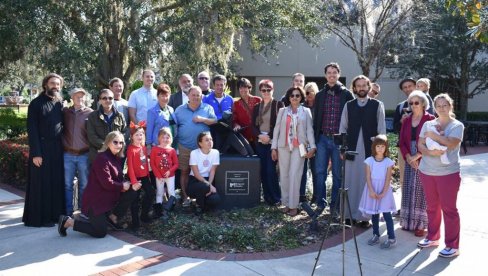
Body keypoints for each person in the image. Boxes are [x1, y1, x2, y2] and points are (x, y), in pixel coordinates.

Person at [57, 131, 139, 238]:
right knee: (100, 232)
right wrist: (122, 186)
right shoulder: (102, 159)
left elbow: (116, 179)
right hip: (96, 202)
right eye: (115, 142)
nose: (118, 145)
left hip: (108, 199)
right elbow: (107, 183)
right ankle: (68, 222)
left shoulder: (116, 158)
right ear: (108, 142)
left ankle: (112, 217)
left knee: (132, 190)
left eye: (121, 143)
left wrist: (125, 183)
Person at [417, 93, 464, 258]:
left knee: (449, 209)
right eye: (439, 106)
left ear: (450, 106)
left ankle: (452, 245)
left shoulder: (457, 125)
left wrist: (433, 136)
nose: (442, 108)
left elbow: (451, 143)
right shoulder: (428, 124)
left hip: (448, 174)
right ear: (434, 108)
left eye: (445, 105)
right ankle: (432, 237)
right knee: (431, 208)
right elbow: (420, 144)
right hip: (427, 171)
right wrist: (430, 151)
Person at [339, 75, 386, 225]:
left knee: (367, 183)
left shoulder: (377, 105)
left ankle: (365, 216)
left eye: (364, 85)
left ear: (368, 87)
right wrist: (342, 149)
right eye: (358, 85)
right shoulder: (349, 105)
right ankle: (348, 216)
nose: (361, 88)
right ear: (354, 88)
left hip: (369, 151)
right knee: (350, 182)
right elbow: (343, 128)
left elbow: (382, 130)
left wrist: (380, 151)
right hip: (351, 150)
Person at [23, 73, 65, 227]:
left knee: (54, 182)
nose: (55, 86)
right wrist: (36, 153)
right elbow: (32, 130)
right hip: (41, 149)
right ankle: (40, 218)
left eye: (58, 84)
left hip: (57, 148)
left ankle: (54, 216)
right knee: (41, 184)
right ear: (45, 85)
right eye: (52, 83)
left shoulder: (59, 103)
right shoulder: (35, 104)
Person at [313, 62, 354, 212]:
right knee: (319, 172)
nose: (331, 75)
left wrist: (347, 140)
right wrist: (315, 139)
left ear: (338, 74)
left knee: (337, 174)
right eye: (329, 73)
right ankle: (320, 203)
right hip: (323, 138)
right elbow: (316, 118)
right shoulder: (320, 95)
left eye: (334, 72)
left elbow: (351, 118)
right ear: (325, 75)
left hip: (339, 139)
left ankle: (335, 206)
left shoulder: (346, 94)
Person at [271, 86, 316, 216]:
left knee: (294, 175)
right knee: (284, 175)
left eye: (297, 95)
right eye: (292, 95)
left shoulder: (306, 111)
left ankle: (293, 205)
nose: (295, 98)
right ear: (288, 97)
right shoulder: (282, 111)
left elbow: (309, 130)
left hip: (299, 147)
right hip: (283, 146)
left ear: (301, 97)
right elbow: (277, 130)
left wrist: (312, 146)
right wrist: (273, 147)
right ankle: (285, 203)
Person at [399, 90, 435, 236]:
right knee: (408, 188)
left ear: (423, 104)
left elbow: (432, 142)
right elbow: (401, 141)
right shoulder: (406, 120)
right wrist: (408, 157)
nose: (413, 105)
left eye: (416, 102)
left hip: (425, 157)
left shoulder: (430, 119)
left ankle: (421, 225)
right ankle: (408, 222)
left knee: (422, 192)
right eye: (411, 103)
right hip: (409, 157)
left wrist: (418, 157)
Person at [174, 86, 217, 207]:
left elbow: (214, 121)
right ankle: (184, 196)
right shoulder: (179, 110)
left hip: (202, 149)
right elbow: (174, 127)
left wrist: (202, 119)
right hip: (185, 146)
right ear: (188, 96)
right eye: (193, 95)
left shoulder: (207, 108)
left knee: (202, 172)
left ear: (201, 96)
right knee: (184, 171)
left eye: (198, 95)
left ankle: (201, 197)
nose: (196, 97)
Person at [359, 135, 397, 249]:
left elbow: (388, 179)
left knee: (386, 214)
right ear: (374, 147)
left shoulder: (388, 162)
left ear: (386, 148)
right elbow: (368, 177)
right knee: (374, 213)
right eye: (378, 146)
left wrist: (383, 193)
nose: (380, 149)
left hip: (384, 190)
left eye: (382, 146)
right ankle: (376, 234)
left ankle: (392, 238)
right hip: (372, 189)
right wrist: (371, 190)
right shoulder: (369, 161)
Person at [252, 79, 284, 206]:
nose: (266, 92)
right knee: (263, 170)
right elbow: (252, 125)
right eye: (263, 90)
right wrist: (259, 135)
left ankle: (276, 197)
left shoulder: (278, 105)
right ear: (260, 91)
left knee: (271, 170)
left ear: (273, 90)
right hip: (259, 141)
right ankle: (267, 197)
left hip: (273, 142)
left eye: (268, 90)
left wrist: (269, 137)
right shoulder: (256, 107)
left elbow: (280, 124)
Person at [62, 88, 93, 216]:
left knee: (84, 185)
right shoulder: (65, 112)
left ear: (85, 98)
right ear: (72, 98)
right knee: (67, 185)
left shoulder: (90, 113)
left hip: (83, 155)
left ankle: (82, 211)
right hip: (67, 154)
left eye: (81, 96)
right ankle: (68, 212)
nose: (79, 98)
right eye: (76, 96)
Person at [126, 122, 155, 230]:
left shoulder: (143, 147)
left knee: (151, 193)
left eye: (141, 134)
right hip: (135, 178)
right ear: (132, 136)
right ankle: (135, 222)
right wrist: (134, 182)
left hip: (144, 177)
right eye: (137, 134)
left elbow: (144, 163)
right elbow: (131, 167)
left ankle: (144, 215)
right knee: (134, 200)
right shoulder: (131, 149)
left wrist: (147, 175)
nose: (139, 136)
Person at [87, 89, 127, 164]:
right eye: (104, 98)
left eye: (110, 98)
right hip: (98, 154)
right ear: (100, 100)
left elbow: (124, 132)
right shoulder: (93, 116)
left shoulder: (120, 115)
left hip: (116, 155)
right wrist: (108, 146)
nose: (107, 100)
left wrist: (116, 146)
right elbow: (91, 136)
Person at [187, 131, 221, 214]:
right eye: (206, 140)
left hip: (208, 179)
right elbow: (196, 174)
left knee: (215, 199)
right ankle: (199, 206)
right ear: (200, 143)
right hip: (195, 180)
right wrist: (209, 186)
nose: (210, 142)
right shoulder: (194, 153)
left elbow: (212, 171)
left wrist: (210, 184)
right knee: (204, 187)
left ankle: (201, 205)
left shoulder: (215, 153)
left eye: (211, 139)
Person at [393, 78, 417, 195]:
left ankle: (419, 209)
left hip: (420, 146)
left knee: (420, 177)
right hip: (403, 146)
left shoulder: (425, 104)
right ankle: (404, 207)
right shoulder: (401, 106)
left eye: (410, 86)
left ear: (415, 86)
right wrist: (402, 122)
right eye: (405, 87)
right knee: (403, 177)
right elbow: (395, 127)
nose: (408, 89)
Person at [150, 127, 179, 217]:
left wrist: (170, 171)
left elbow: (176, 164)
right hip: (159, 176)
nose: (165, 139)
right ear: (159, 138)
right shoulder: (154, 149)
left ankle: (170, 209)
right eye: (163, 137)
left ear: (170, 139)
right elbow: (152, 163)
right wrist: (158, 175)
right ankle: (159, 210)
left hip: (170, 175)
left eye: (167, 137)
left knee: (171, 192)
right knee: (159, 192)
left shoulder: (172, 150)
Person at [299, 82, 319, 203]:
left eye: (312, 92)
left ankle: (316, 196)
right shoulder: (301, 107)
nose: (309, 94)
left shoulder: (320, 106)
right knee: (302, 170)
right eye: (307, 92)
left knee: (316, 170)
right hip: (302, 142)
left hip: (315, 141)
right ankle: (301, 196)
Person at [203, 74, 234, 150]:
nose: (219, 87)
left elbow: (234, 115)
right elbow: (203, 114)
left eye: (221, 85)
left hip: (226, 131)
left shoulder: (230, 99)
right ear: (213, 86)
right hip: (212, 131)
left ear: (225, 85)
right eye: (217, 85)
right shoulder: (206, 99)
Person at [146, 83, 175, 153]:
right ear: (158, 96)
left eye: (166, 95)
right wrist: (149, 146)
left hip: (170, 145)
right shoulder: (152, 112)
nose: (165, 98)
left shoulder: (171, 109)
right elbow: (149, 130)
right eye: (162, 95)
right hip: (157, 146)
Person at [233, 78, 262, 144]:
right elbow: (235, 119)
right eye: (240, 87)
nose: (243, 90)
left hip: (258, 135)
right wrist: (236, 125)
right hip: (244, 136)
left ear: (249, 88)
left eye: (245, 87)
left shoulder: (258, 100)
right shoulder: (236, 104)